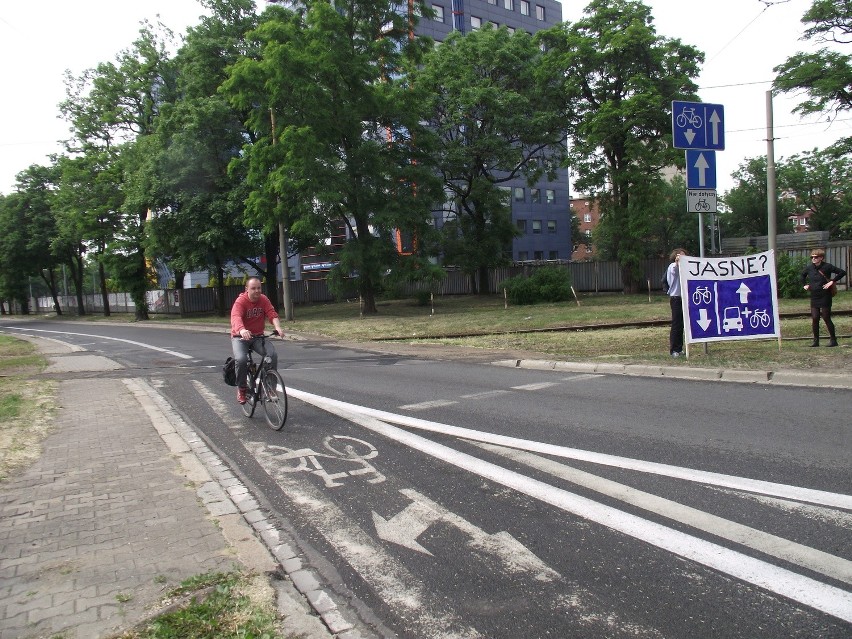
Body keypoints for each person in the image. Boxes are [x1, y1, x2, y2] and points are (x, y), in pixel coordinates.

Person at [230, 277, 284, 404]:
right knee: (241, 360)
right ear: (247, 289)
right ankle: (242, 389)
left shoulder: (263, 299)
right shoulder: (240, 302)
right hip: (240, 337)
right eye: (253, 288)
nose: (257, 291)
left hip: (257, 337)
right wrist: (242, 330)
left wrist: (278, 328)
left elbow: (272, 314)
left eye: (259, 288)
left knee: (272, 355)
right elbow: (236, 317)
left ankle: (270, 388)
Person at [802, 248, 845, 347]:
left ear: (821, 258)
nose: (813, 259)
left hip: (825, 295)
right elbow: (802, 275)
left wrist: (832, 281)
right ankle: (816, 341)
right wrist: (805, 285)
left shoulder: (827, 267)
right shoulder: (809, 268)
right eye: (812, 257)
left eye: (816, 257)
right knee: (815, 317)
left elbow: (842, 272)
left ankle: (833, 340)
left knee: (826, 317)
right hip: (814, 295)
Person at [665, 248, 688, 357]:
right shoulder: (672, 266)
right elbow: (674, 270)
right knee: (676, 324)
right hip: (676, 298)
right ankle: (674, 349)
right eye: (679, 255)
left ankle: (679, 348)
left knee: (682, 325)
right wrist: (678, 262)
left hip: (684, 298)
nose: (682, 257)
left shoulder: (686, 268)